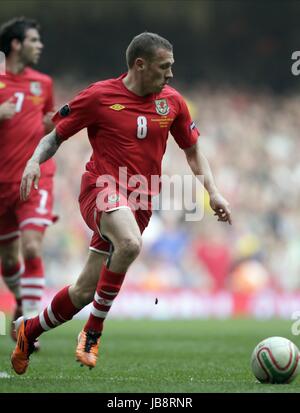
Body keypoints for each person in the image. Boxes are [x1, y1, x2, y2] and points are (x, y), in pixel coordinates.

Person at [11, 32, 231, 375]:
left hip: (140, 202)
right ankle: (93, 332)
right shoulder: (100, 96)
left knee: (84, 291)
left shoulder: (172, 102)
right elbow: (54, 136)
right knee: (129, 243)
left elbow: (192, 150)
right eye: (165, 67)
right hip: (101, 189)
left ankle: (29, 330)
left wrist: (213, 191)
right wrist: (33, 161)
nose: (171, 74)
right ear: (140, 65)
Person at [0, 17, 56, 342]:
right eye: (34, 40)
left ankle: (29, 329)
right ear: (17, 44)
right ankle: (22, 299)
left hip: (34, 177)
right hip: (2, 184)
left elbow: (47, 126)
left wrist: (52, 125)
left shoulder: (43, 83)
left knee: (32, 247)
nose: (40, 45)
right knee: (8, 259)